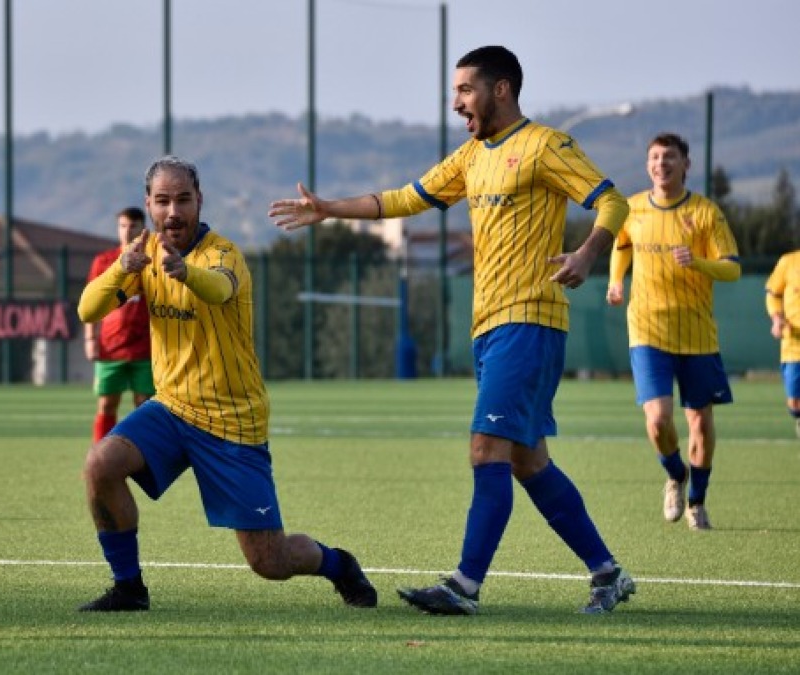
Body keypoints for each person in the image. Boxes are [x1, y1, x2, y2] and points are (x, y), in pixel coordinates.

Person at [269, 45, 635, 615]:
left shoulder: (545, 145)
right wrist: (330, 209)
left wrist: (590, 252)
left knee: (486, 447)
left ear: (502, 89)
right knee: (527, 460)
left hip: (530, 318)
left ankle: (465, 585)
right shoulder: (471, 156)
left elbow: (611, 200)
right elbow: (406, 198)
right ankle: (607, 573)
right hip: (490, 327)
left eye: (465, 89)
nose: (456, 102)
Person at [76, 155, 377, 612]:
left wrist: (185, 273)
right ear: (149, 205)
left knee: (269, 560)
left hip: (231, 422)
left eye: (182, 199)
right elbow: (87, 310)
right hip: (172, 409)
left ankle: (339, 565)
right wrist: (123, 268)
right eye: (162, 201)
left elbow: (217, 288)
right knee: (100, 465)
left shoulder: (223, 254)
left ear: (199, 201)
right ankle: (129, 589)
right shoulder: (145, 258)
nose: (172, 211)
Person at [606, 133, 740, 532]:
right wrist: (616, 281)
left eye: (669, 157)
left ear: (686, 165)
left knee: (700, 422)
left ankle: (697, 501)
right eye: (654, 157)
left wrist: (698, 262)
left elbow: (732, 267)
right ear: (648, 164)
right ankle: (674, 474)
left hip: (697, 334)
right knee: (659, 420)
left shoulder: (705, 213)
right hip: (647, 328)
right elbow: (622, 244)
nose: (661, 164)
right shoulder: (632, 208)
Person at [84, 207, 155, 442]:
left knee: (144, 405)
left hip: (144, 346)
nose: (127, 231)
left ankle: (144, 455)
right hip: (110, 345)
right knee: (107, 403)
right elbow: (91, 302)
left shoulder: (152, 261)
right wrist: (90, 339)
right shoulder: (103, 261)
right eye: (123, 226)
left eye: (132, 226)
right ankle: (100, 453)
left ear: (142, 229)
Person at [766, 251, 800, 439]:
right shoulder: (789, 262)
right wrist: (777, 318)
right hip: (793, 343)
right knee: (794, 403)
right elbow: (773, 294)